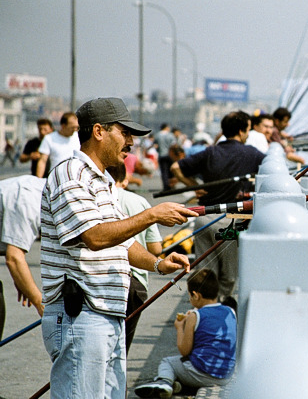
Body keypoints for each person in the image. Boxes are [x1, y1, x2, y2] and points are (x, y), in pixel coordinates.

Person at [40, 97, 198, 398]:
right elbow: (95, 236)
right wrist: (152, 214)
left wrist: (157, 263)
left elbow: (121, 241)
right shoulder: (70, 174)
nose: (131, 143)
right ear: (98, 131)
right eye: (124, 134)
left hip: (108, 315)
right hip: (81, 317)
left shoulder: (103, 182)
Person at [171, 111, 265, 298]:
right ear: (241, 130)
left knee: (204, 274)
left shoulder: (210, 151)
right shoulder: (252, 154)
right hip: (230, 223)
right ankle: (219, 312)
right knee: (228, 276)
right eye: (247, 129)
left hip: (203, 221)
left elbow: (175, 168)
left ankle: (203, 310)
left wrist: (195, 186)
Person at [134, 269, 236, 397]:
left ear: (196, 295)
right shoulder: (230, 312)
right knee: (187, 368)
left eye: (189, 296)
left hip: (203, 373)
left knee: (169, 362)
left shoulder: (195, 315)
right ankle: (178, 386)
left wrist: (180, 327)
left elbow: (184, 350)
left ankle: (164, 382)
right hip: (226, 375)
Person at [107, 163, 162, 354]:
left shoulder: (96, 198)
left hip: (101, 279)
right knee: (121, 350)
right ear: (125, 180)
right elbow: (156, 248)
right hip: (134, 283)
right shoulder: (139, 202)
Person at [0, 175, 46, 339]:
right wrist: (41, 304)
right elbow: (14, 258)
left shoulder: (38, 189)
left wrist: (21, 280)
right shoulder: (30, 199)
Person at [35, 112, 80, 178]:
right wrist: (38, 179)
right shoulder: (49, 138)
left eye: (77, 127)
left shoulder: (79, 137)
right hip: (56, 178)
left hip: (75, 177)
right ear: (63, 126)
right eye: (72, 127)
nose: (75, 130)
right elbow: (42, 161)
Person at [154, 123, 176, 191]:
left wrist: (159, 151)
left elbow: (155, 146)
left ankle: (166, 186)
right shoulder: (170, 135)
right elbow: (174, 145)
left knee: (164, 171)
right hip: (170, 155)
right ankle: (172, 184)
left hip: (161, 155)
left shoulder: (157, 135)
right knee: (171, 171)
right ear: (166, 128)